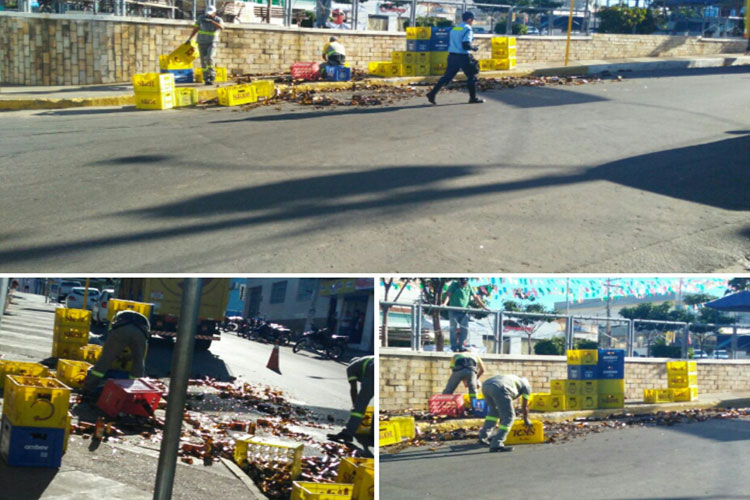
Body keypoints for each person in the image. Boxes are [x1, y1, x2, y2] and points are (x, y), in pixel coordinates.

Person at [82, 310, 150, 395]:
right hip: (140, 333)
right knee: (138, 362)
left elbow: (111, 331)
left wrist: (115, 351)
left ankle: (89, 387)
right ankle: (135, 391)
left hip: (121, 330)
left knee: (105, 360)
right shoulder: (144, 321)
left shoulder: (119, 317)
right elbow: (146, 336)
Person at [426, 11, 484, 105]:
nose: (472, 21)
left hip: (452, 55)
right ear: (469, 19)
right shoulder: (468, 29)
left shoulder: (456, 28)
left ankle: (432, 93)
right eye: (472, 19)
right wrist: (474, 48)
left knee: (447, 77)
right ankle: (473, 98)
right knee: (472, 76)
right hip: (463, 56)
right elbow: (466, 44)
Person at [478, 374, 532, 452]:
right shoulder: (527, 386)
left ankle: (483, 436)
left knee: (493, 412)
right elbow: (525, 406)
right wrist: (526, 419)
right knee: (509, 417)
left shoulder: (514, 378)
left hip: (486, 385)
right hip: (500, 388)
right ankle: (497, 444)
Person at [327, 355, 374, 444]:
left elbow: (354, 388)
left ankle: (347, 433)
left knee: (360, 406)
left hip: (373, 369)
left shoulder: (351, 368)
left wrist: (355, 405)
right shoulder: (364, 361)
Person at [441, 278, 488, 352]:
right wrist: (445, 304)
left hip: (464, 311)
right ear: (459, 281)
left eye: (465, 283)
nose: (463, 285)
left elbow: (476, 297)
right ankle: (454, 347)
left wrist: (484, 307)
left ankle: (461, 346)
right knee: (453, 328)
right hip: (454, 311)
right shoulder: (454, 284)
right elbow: (448, 295)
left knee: (465, 329)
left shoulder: (469, 286)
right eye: (462, 283)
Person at [187, 6, 225, 85]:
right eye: (207, 14)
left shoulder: (218, 20)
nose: (208, 15)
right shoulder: (201, 18)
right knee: (203, 61)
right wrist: (190, 38)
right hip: (201, 42)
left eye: (210, 14)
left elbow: (222, 27)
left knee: (209, 57)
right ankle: (206, 78)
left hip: (212, 42)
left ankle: (212, 74)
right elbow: (196, 29)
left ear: (214, 13)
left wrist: (212, 22)